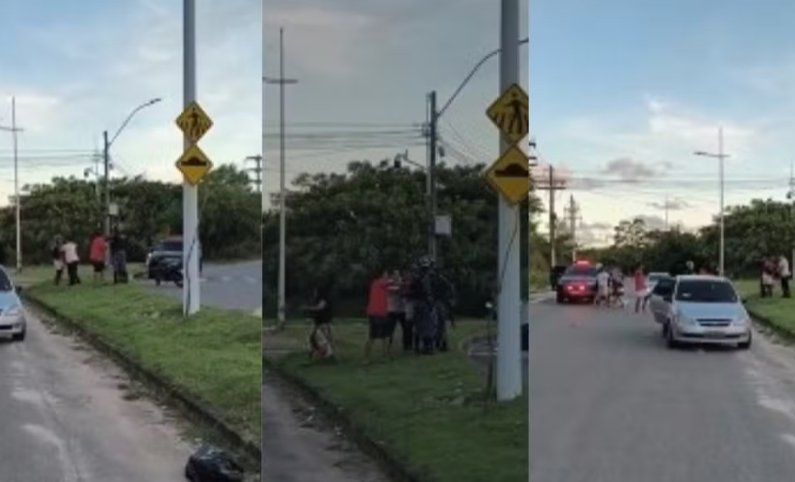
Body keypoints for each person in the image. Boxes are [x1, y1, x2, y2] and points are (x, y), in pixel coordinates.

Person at [364, 270, 394, 363]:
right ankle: (381, 357)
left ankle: (367, 358)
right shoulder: (381, 282)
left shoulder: (375, 284)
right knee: (382, 336)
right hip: (378, 314)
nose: (387, 276)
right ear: (382, 275)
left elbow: (392, 288)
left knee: (376, 336)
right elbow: (393, 283)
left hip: (376, 313)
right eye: (386, 274)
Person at [304, 284, 334, 360]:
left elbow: (319, 308)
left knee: (324, 339)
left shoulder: (324, 300)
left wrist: (308, 308)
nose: (315, 292)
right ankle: (320, 352)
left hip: (324, 323)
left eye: (316, 291)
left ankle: (326, 354)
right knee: (314, 338)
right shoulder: (318, 300)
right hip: (319, 323)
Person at [387, 270, 410, 352]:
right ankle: (387, 345)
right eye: (394, 275)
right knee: (390, 329)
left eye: (397, 275)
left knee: (406, 329)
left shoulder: (403, 282)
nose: (396, 276)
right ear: (392, 276)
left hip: (402, 310)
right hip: (391, 310)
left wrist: (402, 285)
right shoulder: (389, 283)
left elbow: (406, 288)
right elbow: (390, 289)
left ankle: (407, 346)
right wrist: (400, 287)